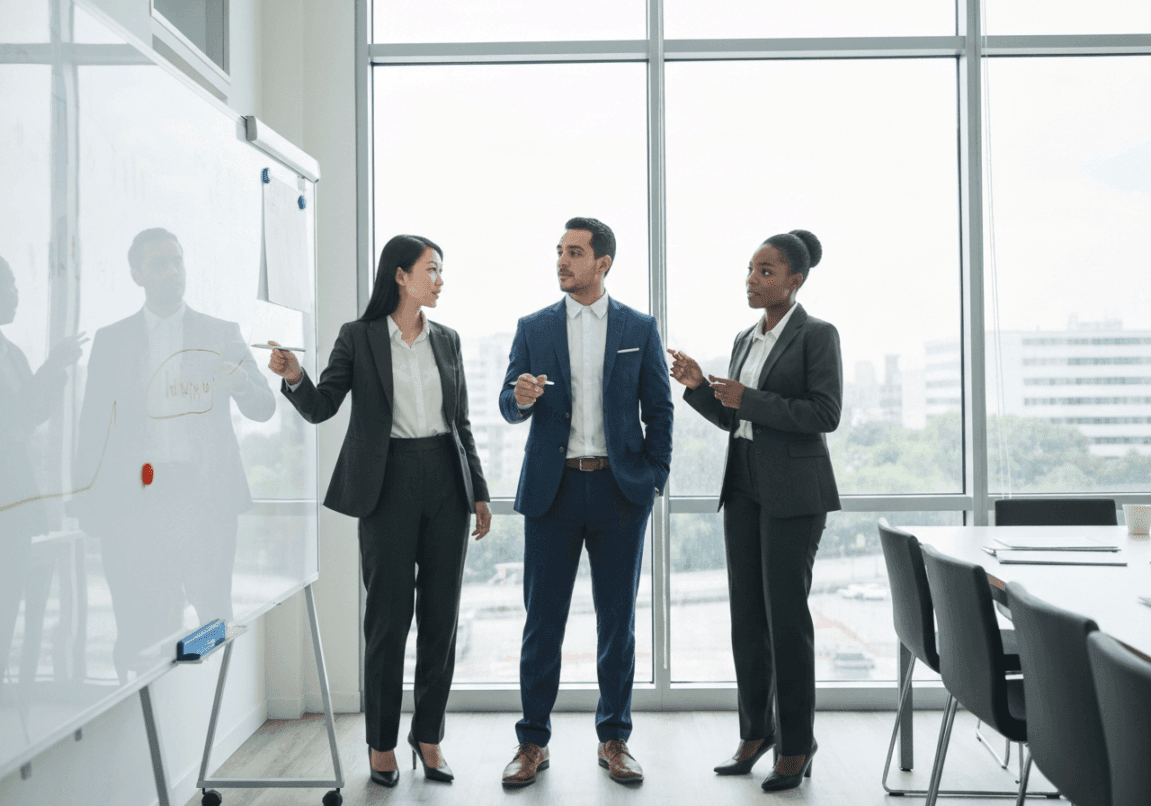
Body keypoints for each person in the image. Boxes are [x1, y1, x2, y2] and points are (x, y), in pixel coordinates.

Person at [270, 234, 491, 788]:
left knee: (441, 619)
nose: (439, 280)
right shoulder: (359, 337)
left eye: (441, 271)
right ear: (400, 275)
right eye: (432, 270)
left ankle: (429, 737)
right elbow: (323, 407)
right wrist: (295, 377)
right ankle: (381, 744)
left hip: (446, 480)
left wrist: (479, 492)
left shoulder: (448, 339)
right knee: (389, 621)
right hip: (386, 486)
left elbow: (461, 423)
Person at [497, 217, 673, 787]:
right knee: (542, 624)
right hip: (554, 492)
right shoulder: (534, 326)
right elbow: (507, 401)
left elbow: (660, 409)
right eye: (558, 251)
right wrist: (518, 399)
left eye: (574, 252)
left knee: (616, 624)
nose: (562, 261)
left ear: (603, 263)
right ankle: (532, 744)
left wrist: (655, 477)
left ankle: (614, 738)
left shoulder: (638, 327)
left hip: (621, 493)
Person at [668, 229, 841, 793]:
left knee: (786, 621)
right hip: (742, 485)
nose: (752, 279)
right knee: (748, 618)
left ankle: (796, 745)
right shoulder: (745, 338)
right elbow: (735, 419)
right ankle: (756, 733)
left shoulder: (818, 335)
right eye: (749, 270)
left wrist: (751, 400)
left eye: (765, 272)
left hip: (795, 494)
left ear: (794, 280)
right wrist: (698, 388)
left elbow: (824, 412)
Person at [73, 229, 274, 684]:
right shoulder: (112, 340)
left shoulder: (221, 334)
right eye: (159, 264)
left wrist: (239, 382)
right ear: (137, 274)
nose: (171, 272)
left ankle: (191, 693)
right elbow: (91, 430)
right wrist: (86, 502)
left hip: (204, 496)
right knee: (138, 625)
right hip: (137, 498)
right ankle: (149, 702)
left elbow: (263, 407)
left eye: (176, 262)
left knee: (214, 620)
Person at [0, 255, 87, 682]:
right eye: (8, 283)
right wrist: (53, 366)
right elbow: (12, 423)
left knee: (6, 615)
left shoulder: (11, 352)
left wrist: (55, 368)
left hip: (15, 502)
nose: (15, 293)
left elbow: (31, 415)